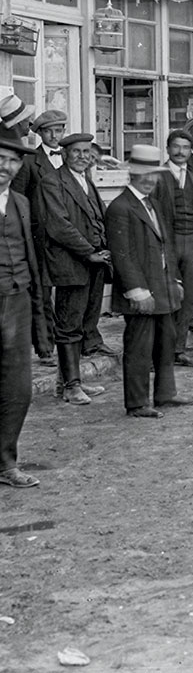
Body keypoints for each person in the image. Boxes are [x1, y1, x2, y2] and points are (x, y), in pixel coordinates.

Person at [106, 145, 193, 419]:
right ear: (130, 175)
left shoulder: (153, 203)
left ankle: (165, 394)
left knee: (166, 342)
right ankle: (137, 403)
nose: (150, 180)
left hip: (164, 286)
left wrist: (175, 280)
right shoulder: (120, 207)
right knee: (139, 347)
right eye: (143, 174)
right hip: (142, 291)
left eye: (154, 175)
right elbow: (122, 256)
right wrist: (137, 290)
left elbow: (166, 247)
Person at [36, 132, 112, 404]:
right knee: (69, 324)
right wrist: (88, 252)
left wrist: (104, 249)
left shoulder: (86, 181)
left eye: (86, 152)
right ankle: (71, 386)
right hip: (70, 262)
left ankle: (68, 381)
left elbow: (96, 218)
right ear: (64, 154)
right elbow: (58, 225)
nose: (82, 157)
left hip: (93, 262)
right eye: (76, 152)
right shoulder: (52, 181)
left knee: (83, 321)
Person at [0, 130, 42, 486]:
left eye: (13, 160)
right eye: (0, 158)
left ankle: (6, 463)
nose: (6, 166)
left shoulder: (20, 203)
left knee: (18, 387)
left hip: (17, 299)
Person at [12, 106, 66, 366]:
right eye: (50, 131)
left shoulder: (70, 157)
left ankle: (71, 343)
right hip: (40, 236)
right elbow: (19, 200)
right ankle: (45, 348)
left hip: (66, 235)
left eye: (59, 130)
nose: (55, 135)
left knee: (67, 290)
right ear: (40, 133)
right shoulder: (29, 161)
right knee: (43, 292)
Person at [151, 130, 193, 369]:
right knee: (166, 296)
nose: (180, 151)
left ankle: (179, 349)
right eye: (176, 146)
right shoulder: (158, 176)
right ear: (168, 148)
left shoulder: (191, 176)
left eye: (185, 147)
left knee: (189, 298)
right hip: (168, 242)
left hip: (189, 243)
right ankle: (159, 353)